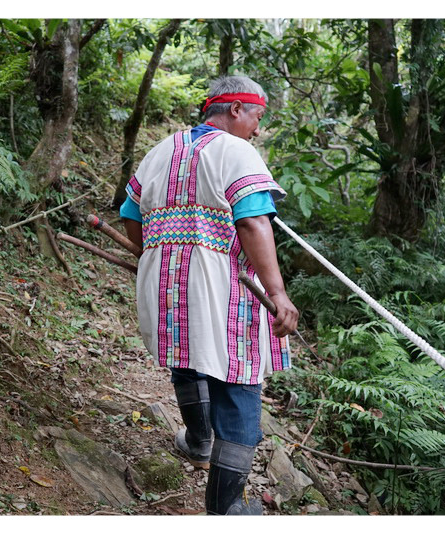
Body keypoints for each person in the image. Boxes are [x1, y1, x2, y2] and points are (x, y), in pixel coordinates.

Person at [119, 75, 299, 515]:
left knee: (188, 352)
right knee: (238, 379)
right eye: (258, 116)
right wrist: (277, 292)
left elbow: (129, 213)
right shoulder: (238, 151)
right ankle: (226, 508)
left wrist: (160, 254)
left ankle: (199, 441)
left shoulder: (160, 150)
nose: (258, 128)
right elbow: (254, 223)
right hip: (222, 281)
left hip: (163, 282)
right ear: (236, 109)